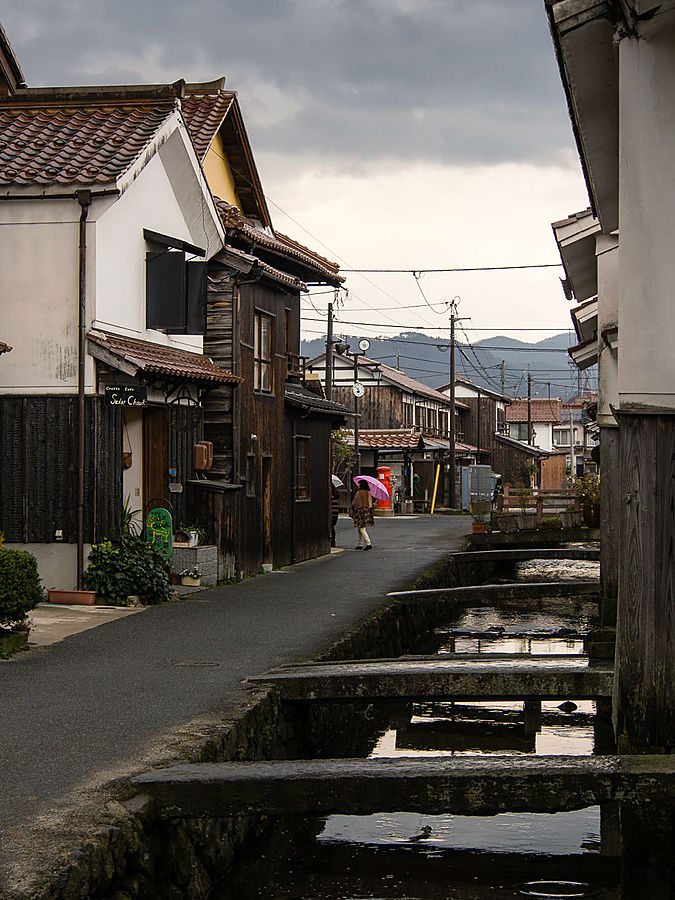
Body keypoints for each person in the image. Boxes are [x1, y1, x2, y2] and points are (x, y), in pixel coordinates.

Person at [350, 480, 374, 550]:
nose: (358, 485)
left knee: (361, 528)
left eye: (359, 484)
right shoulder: (368, 492)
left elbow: (355, 502)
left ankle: (368, 543)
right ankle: (360, 543)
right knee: (360, 528)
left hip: (360, 511)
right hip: (367, 511)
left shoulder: (359, 493)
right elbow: (370, 503)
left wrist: (352, 509)